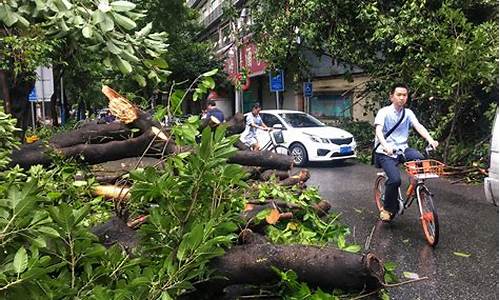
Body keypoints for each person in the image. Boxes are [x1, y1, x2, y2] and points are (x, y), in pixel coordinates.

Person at [374, 83, 439, 221]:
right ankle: (388, 209)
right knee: (395, 180)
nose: (402, 98)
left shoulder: (408, 113)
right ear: (391, 96)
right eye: (399, 95)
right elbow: (378, 130)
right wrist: (385, 145)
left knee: (420, 159)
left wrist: (430, 139)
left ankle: (416, 186)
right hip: (386, 152)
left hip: (402, 149)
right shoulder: (384, 112)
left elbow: (418, 126)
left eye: (404, 95)